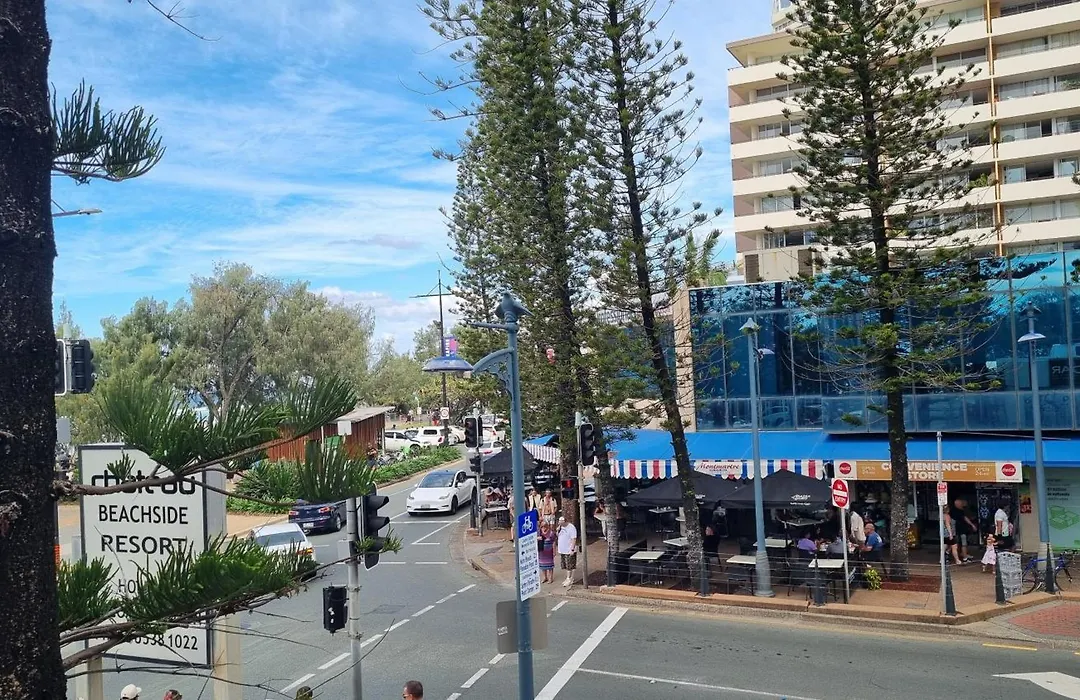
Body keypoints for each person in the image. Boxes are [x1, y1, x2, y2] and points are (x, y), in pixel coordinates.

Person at [950, 498, 977, 562]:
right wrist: (972, 525)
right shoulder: (958, 511)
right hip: (959, 530)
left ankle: (963, 554)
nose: (963, 505)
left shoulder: (954, 511)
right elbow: (965, 518)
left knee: (958, 544)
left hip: (958, 530)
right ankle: (964, 557)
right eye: (961, 503)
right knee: (962, 544)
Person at [557, 515, 578, 587]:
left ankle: (570, 578)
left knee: (570, 565)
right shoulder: (561, 527)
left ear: (565, 521)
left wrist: (572, 549)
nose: (560, 524)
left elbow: (574, 539)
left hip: (569, 549)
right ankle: (568, 577)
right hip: (562, 549)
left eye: (561, 522)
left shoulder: (571, 528)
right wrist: (558, 530)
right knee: (565, 565)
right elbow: (558, 535)